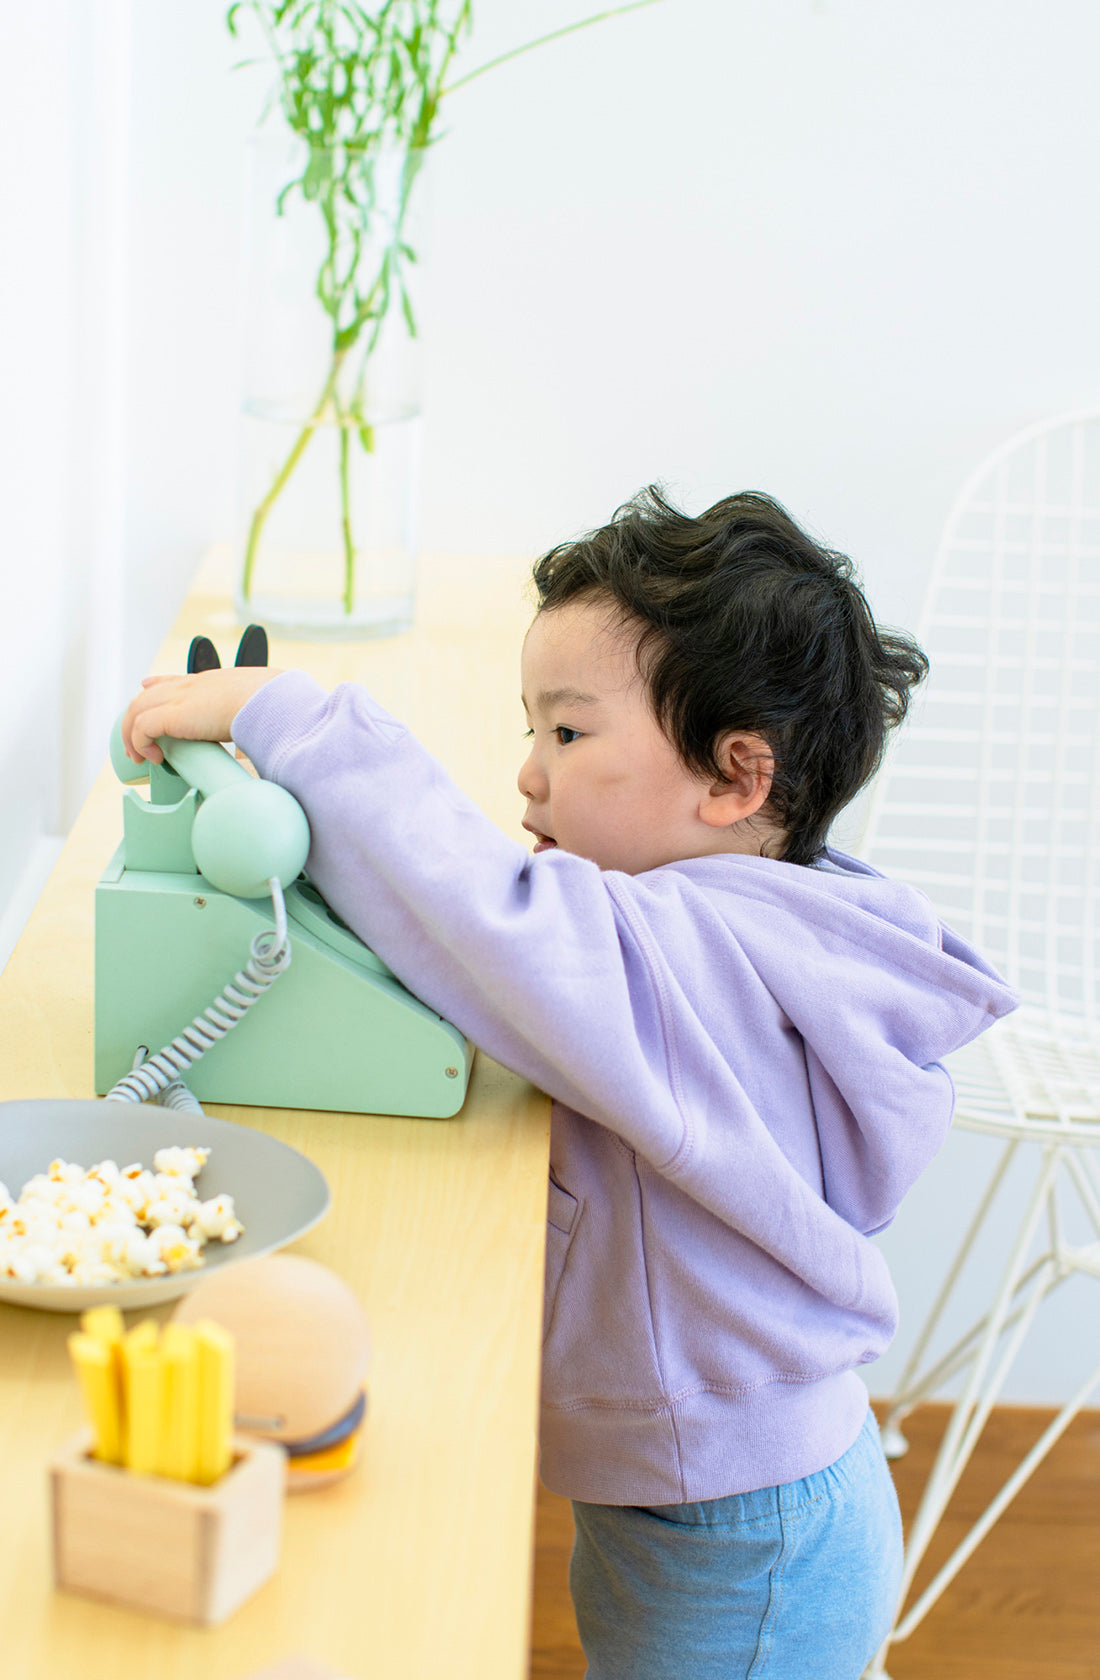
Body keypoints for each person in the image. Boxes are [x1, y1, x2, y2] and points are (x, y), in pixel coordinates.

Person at [122, 487, 1017, 1680]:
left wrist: (288, 718)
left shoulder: (699, 962)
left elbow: (492, 922)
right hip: (702, 1498)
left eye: (569, 733)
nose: (527, 776)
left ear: (735, 775)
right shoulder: (739, 925)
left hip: (740, 1543)